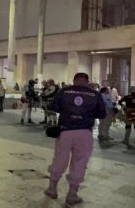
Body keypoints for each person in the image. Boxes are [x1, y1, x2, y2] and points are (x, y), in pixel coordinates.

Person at [44, 73, 106, 206]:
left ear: (74, 80)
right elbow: (102, 114)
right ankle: (72, 195)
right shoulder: (95, 94)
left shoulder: (64, 91)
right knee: (80, 162)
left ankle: (52, 189)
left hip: (65, 131)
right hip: (85, 132)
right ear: (87, 81)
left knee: (60, 159)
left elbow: (52, 108)